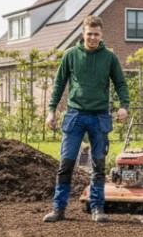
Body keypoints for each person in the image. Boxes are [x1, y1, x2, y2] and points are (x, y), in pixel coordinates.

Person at [42, 15, 129, 223]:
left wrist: (124, 106)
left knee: (98, 165)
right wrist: (51, 110)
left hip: (99, 116)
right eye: (89, 34)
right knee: (66, 163)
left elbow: (121, 84)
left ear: (101, 35)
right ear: (83, 33)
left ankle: (97, 207)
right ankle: (58, 208)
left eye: (96, 34)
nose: (92, 38)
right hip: (75, 115)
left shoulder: (109, 57)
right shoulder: (71, 55)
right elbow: (59, 84)